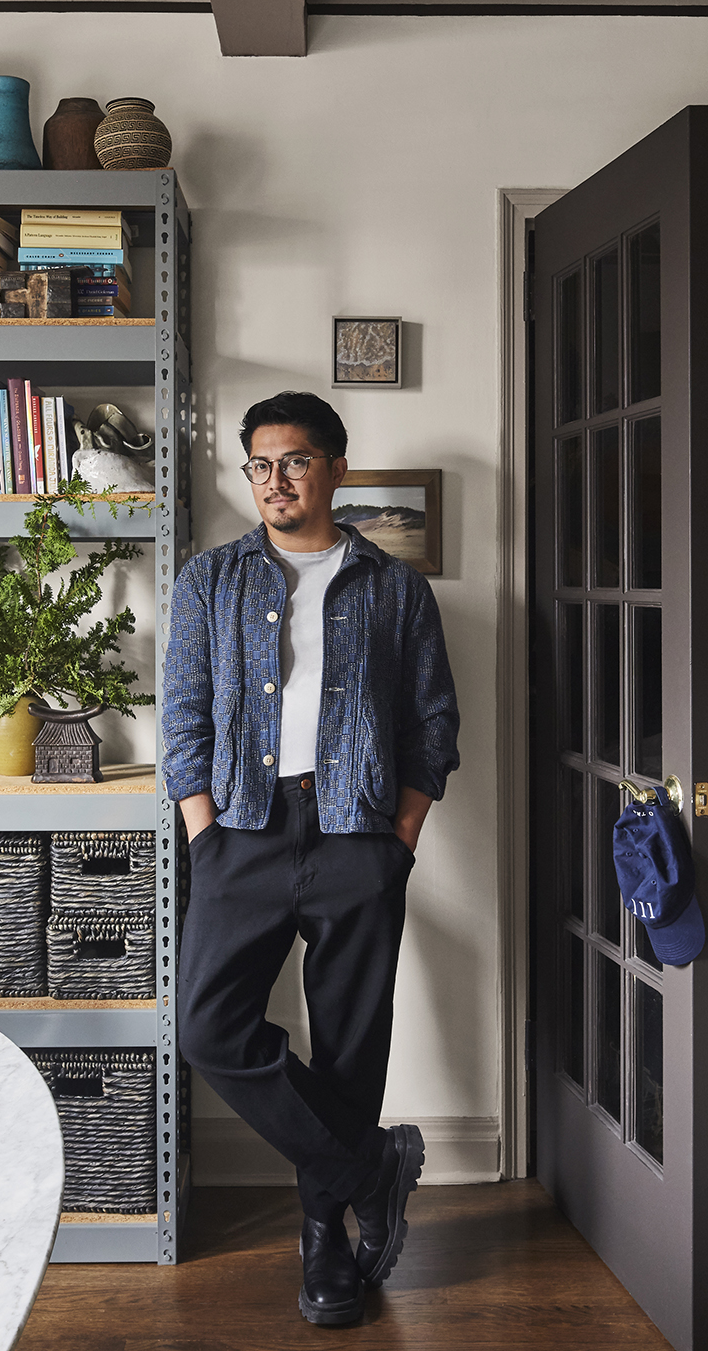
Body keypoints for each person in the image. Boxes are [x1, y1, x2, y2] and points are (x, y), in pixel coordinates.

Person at [164, 392, 459, 1326]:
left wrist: (400, 840)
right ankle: (370, 1168)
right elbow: (183, 718)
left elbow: (433, 724)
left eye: (294, 461)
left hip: (357, 837)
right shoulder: (209, 581)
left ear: (336, 468)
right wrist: (203, 833)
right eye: (260, 464)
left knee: (348, 1048)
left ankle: (326, 1236)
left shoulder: (395, 588)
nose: (275, 481)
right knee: (209, 1028)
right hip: (240, 834)